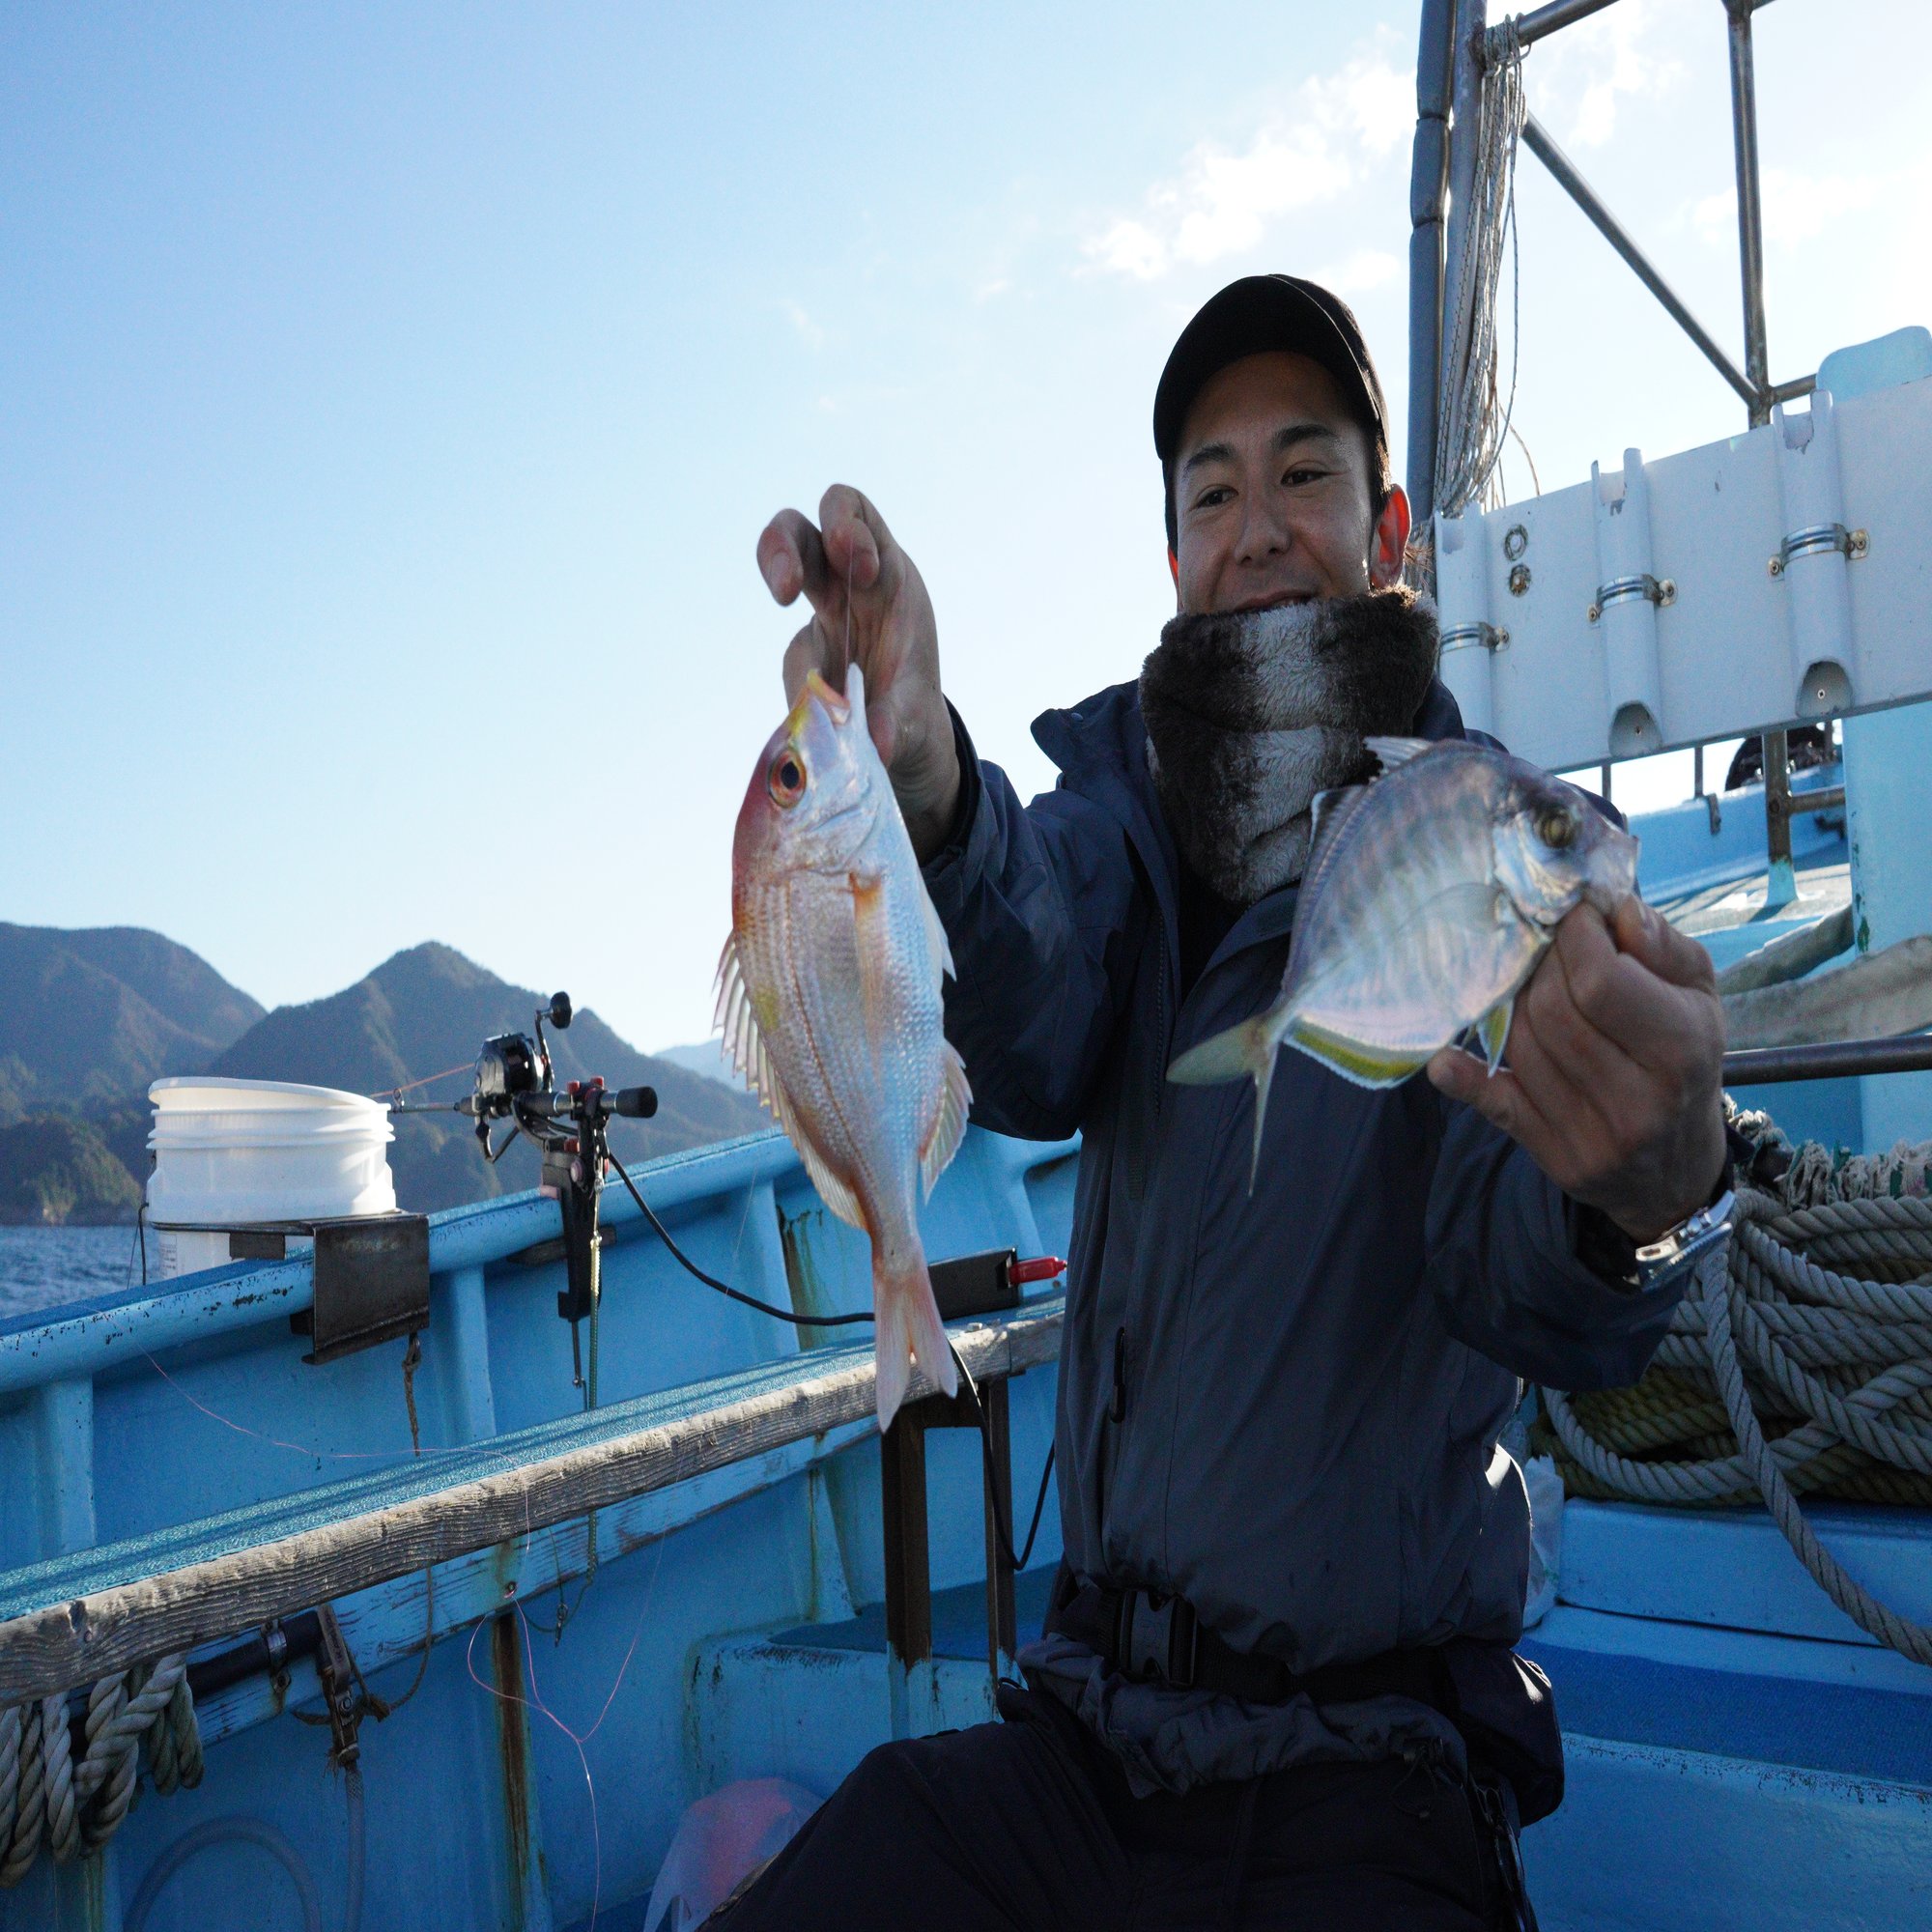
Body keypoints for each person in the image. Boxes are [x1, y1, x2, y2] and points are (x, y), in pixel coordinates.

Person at [723, 275, 1728, 1930]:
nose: (1258, 524)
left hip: (1369, 1767)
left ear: (1390, 525)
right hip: (1084, 1743)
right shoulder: (1119, 823)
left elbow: (1525, 1276)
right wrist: (930, 794)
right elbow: (1037, 1019)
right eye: (1212, 489)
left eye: (1305, 474)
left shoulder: (1495, 863)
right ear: (1173, 559)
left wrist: (1640, 1195)